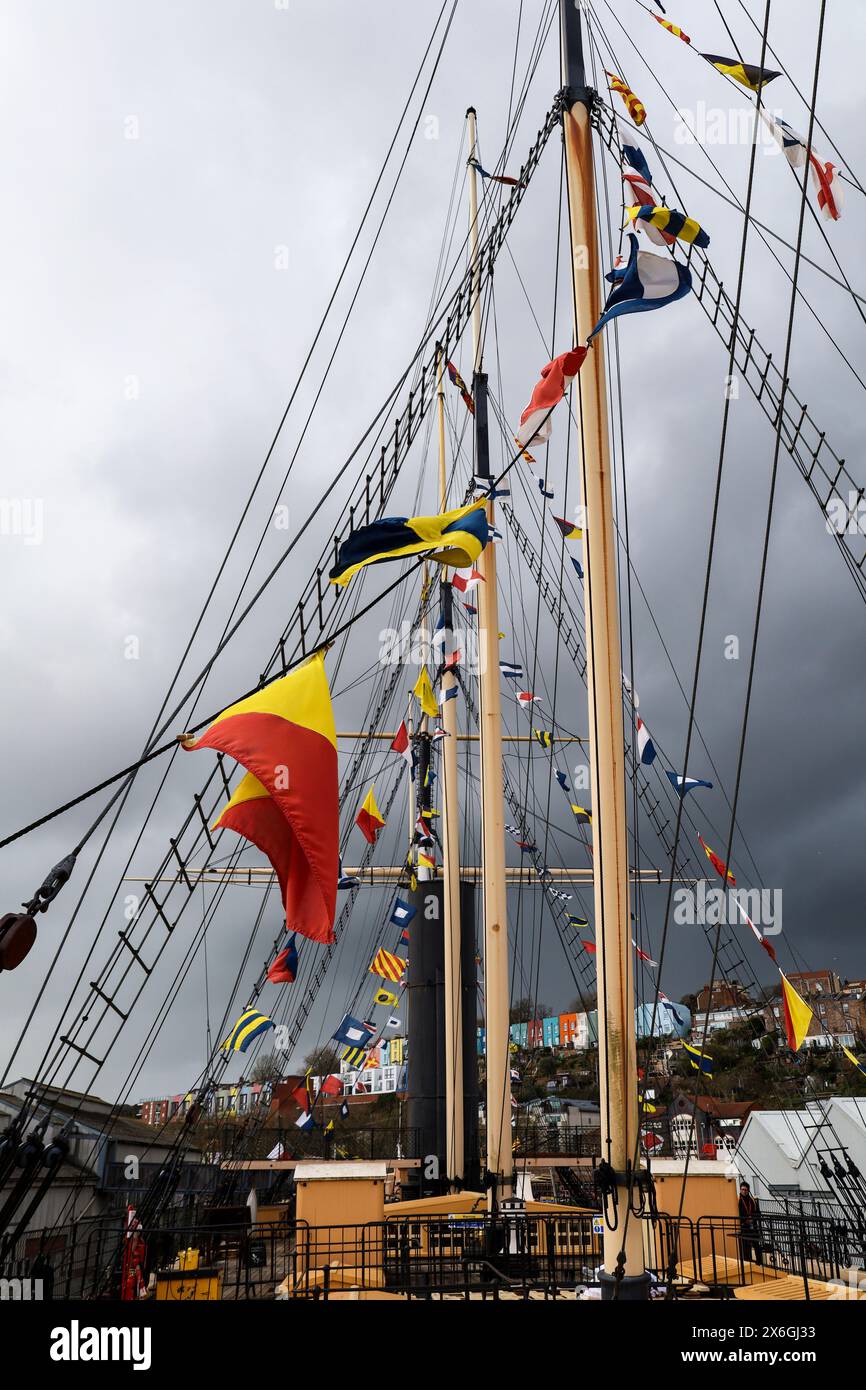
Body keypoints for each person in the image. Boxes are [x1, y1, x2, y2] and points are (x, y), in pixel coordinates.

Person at [738, 1180, 762, 1266]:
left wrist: (753, 1219)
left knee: (756, 1245)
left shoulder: (752, 1200)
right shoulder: (738, 1200)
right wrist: (744, 1221)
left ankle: (759, 1263)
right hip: (744, 1226)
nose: (744, 1191)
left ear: (748, 1190)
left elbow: (758, 1213)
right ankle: (748, 1263)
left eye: (745, 1190)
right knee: (746, 1246)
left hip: (753, 1225)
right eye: (742, 1189)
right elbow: (738, 1213)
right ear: (740, 1190)